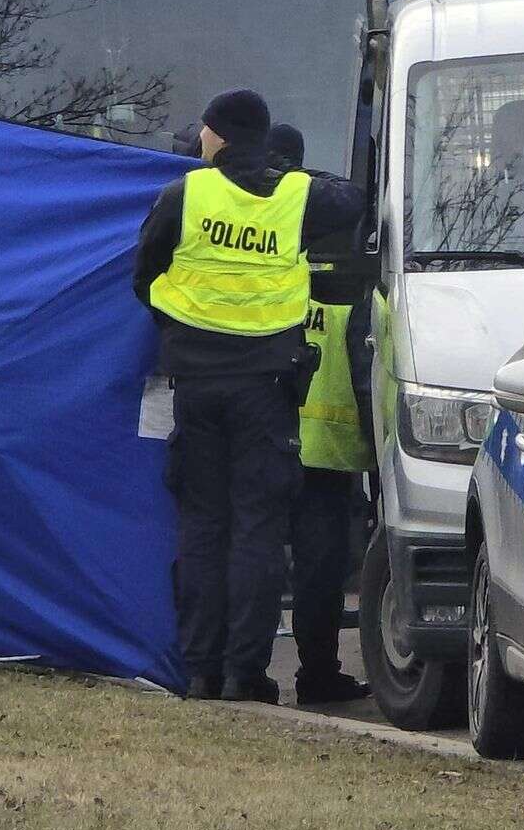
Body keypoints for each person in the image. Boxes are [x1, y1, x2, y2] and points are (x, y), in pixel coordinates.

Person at [134, 90, 364, 704]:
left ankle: (200, 669)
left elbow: (145, 275)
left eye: (205, 132)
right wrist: (281, 169)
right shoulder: (298, 194)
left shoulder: (185, 193)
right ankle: (245, 674)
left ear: (218, 136)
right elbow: (354, 199)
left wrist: (182, 329)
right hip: (267, 385)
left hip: (196, 386)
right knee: (258, 531)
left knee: (203, 524)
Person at [267, 123, 371, 705]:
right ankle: (316, 673)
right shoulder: (344, 233)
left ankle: (239, 669)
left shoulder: (252, 246)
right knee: (318, 573)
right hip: (328, 449)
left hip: (264, 433)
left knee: (250, 552)